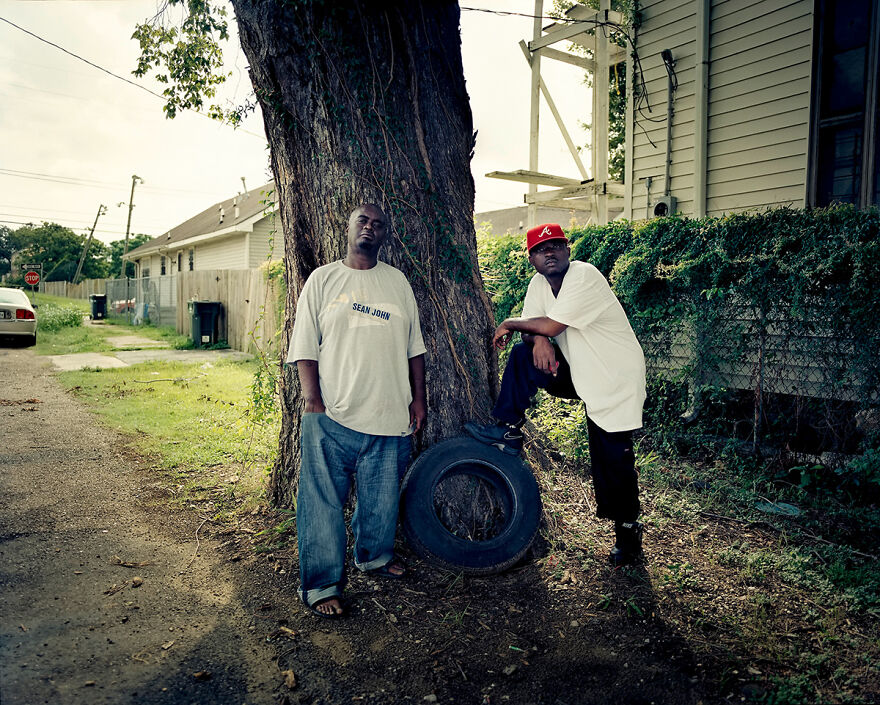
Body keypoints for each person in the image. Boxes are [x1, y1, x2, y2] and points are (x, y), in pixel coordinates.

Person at [465, 223, 647, 566]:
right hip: (577, 372)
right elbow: (540, 327)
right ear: (531, 258)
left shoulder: (584, 276)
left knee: (612, 461)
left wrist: (515, 324)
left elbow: (547, 324)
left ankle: (628, 532)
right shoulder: (538, 283)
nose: (549, 253)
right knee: (523, 354)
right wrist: (539, 340)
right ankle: (508, 429)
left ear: (567, 250)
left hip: (613, 379)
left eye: (556, 246)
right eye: (540, 249)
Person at [287, 203, 427, 617]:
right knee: (321, 502)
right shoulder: (323, 279)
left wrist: (418, 398)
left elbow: (414, 347)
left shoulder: (397, 282)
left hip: (388, 412)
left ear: (385, 235)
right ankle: (322, 584)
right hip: (332, 414)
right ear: (348, 229)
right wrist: (311, 399)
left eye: (378, 224)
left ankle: (374, 557)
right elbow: (304, 345)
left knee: (381, 499)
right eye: (363, 221)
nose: (370, 228)